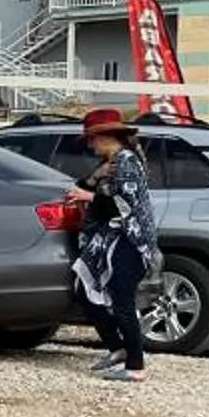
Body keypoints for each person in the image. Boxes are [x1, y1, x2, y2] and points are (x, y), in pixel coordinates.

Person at [70, 107, 158, 382]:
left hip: (129, 241)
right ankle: (118, 348)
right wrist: (94, 180)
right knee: (83, 288)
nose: (90, 145)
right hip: (110, 240)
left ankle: (135, 365)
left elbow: (124, 207)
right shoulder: (112, 164)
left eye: (93, 139)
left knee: (122, 299)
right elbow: (82, 186)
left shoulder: (127, 162)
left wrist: (88, 195)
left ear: (106, 137)